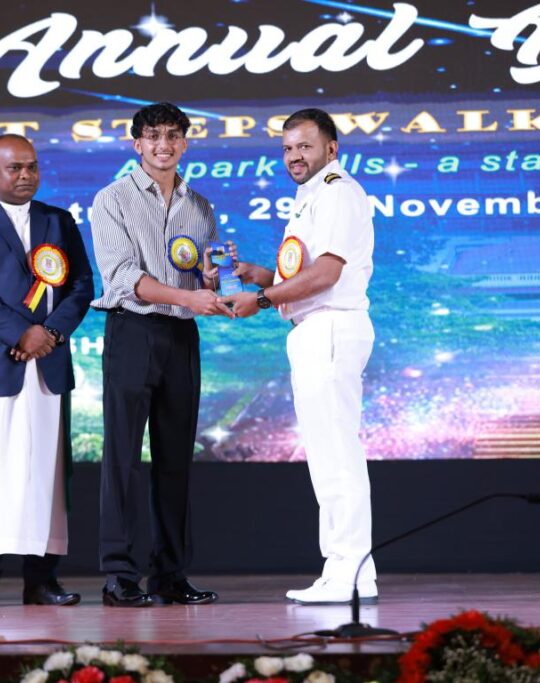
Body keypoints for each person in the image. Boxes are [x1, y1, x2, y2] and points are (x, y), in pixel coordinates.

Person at [221, 108, 377, 605]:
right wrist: (261, 276)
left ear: (332, 148)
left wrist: (262, 299)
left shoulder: (336, 192)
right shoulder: (311, 194)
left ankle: (345, 571)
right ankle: (356, 573)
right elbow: (306, 273)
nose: (294, 156)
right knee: (330, 454)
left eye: (305, 146)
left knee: (336, 456)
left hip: (329, 325)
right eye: (287, 148)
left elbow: (327, 274)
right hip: (315, 327)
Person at [0, 134, 94, 607]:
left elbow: (82, 285)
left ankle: (41, 579)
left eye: (32, 167)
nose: (26, 175)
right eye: (14, 168)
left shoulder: (59, 221)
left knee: (42, 473)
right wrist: (21, 333)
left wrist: (49, 333)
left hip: (46, 363)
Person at [90, 102, 231, 608]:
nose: (163, 145)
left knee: (175, 460)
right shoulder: (112, 199)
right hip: (133, 331)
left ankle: (170, 574)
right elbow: (122, 277)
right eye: (153, 136)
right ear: (137, 144)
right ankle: (119, 575)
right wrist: (188, 297)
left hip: (181, 338)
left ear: (185, 143)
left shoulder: (200, 206)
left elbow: (202, 277)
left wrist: (210, 280)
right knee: (123, 458)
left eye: (173, 135)